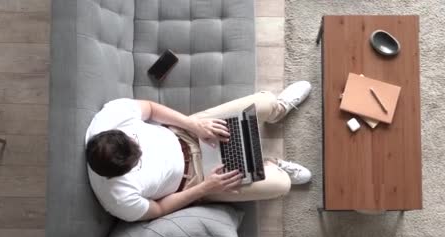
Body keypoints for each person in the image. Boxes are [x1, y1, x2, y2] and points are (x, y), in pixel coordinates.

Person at [85, 81, 313, 222]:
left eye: (136, 143)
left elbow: (151, 109)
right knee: (282, 184)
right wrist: (206, 188)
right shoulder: (117, 199)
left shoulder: (108, 119)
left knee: (266, 102)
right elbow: (159, 209)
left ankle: (278, 111)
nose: (143, 151)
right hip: (198, 180)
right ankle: (271, 164)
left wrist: (194, 125)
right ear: (117, 174)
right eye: (138, 160)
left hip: (188, 132)